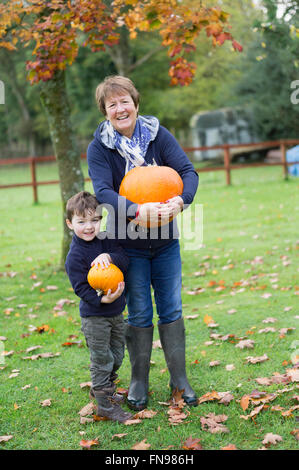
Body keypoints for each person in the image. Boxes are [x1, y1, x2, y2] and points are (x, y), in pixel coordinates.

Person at [87, 75, 199, 411]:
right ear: (105, 112)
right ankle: (139, 380)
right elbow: (104, 192)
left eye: (125, 102)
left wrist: (182, 200)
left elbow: (188, 172)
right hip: (128, 245)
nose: (120, 109)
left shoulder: (158, 136)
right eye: (112, 105)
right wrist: (137, 209)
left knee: (172, 308)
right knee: (138, 312)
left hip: (165, 243)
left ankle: (179, 379)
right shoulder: (100, 147)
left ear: (135, 104)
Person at [64, 190, 132, 423]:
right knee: (102, 358)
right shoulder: (75, 256)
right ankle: (104, 405)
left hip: (116, 312)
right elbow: (81, 288)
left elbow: (125, 259)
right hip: (95, 316)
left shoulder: (107, 241)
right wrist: (101, 299)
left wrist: (109, 257)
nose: (89, 226)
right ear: (70, 224)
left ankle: (104, 389)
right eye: (81, 221)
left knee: (117, 356)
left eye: (94, 220)